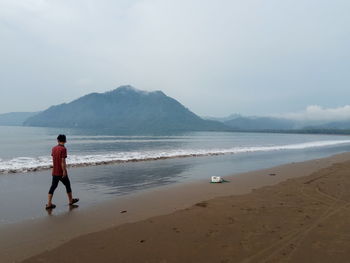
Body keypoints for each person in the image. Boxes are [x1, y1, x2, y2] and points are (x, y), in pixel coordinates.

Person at [46, 134, 79, 209]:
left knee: (53, 187)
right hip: (61, 172)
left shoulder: (54, 148)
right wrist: (64, 171)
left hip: (55, 171)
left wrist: (54, 168)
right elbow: (62, 161)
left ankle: (49, 203)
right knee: (67, 185)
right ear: (65, 141)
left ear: (58, 140)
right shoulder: (63, 149)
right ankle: (71, 201)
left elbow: (54, 159)